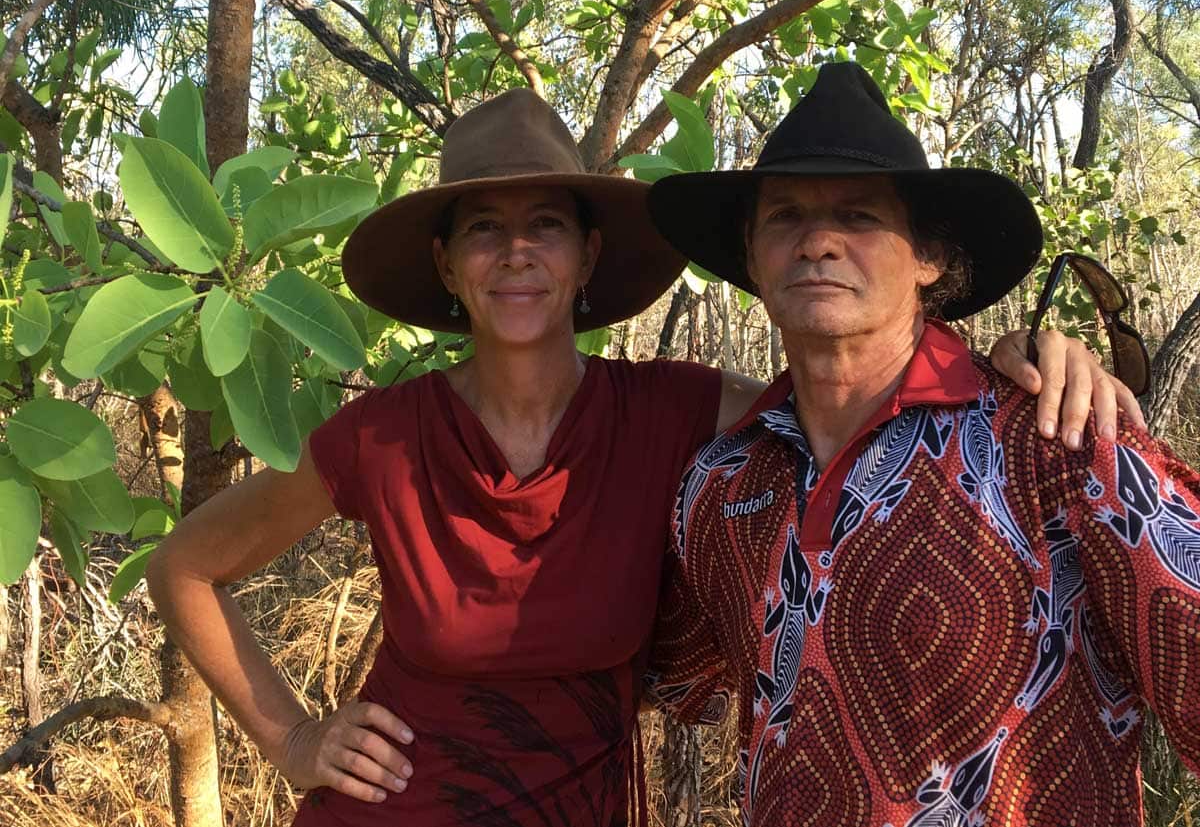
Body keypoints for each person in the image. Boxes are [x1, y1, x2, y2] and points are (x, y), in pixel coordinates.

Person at [145, 88, 1137, 827]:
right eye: (483, 231)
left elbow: (856, 403)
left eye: (544, 226)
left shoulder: (676, 415)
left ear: (585, 255)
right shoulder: (382, 438)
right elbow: (183, 565)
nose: (517, 254)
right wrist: (292, 736)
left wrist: (1020, 364)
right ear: (446, 265)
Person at [645, 62, 1199, 826]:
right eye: (784, 216)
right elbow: (668, 678)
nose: (818, 241)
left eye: (860, 215)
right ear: (750, 257)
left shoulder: (1058, 441)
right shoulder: (720, 485)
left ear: (929, 257)